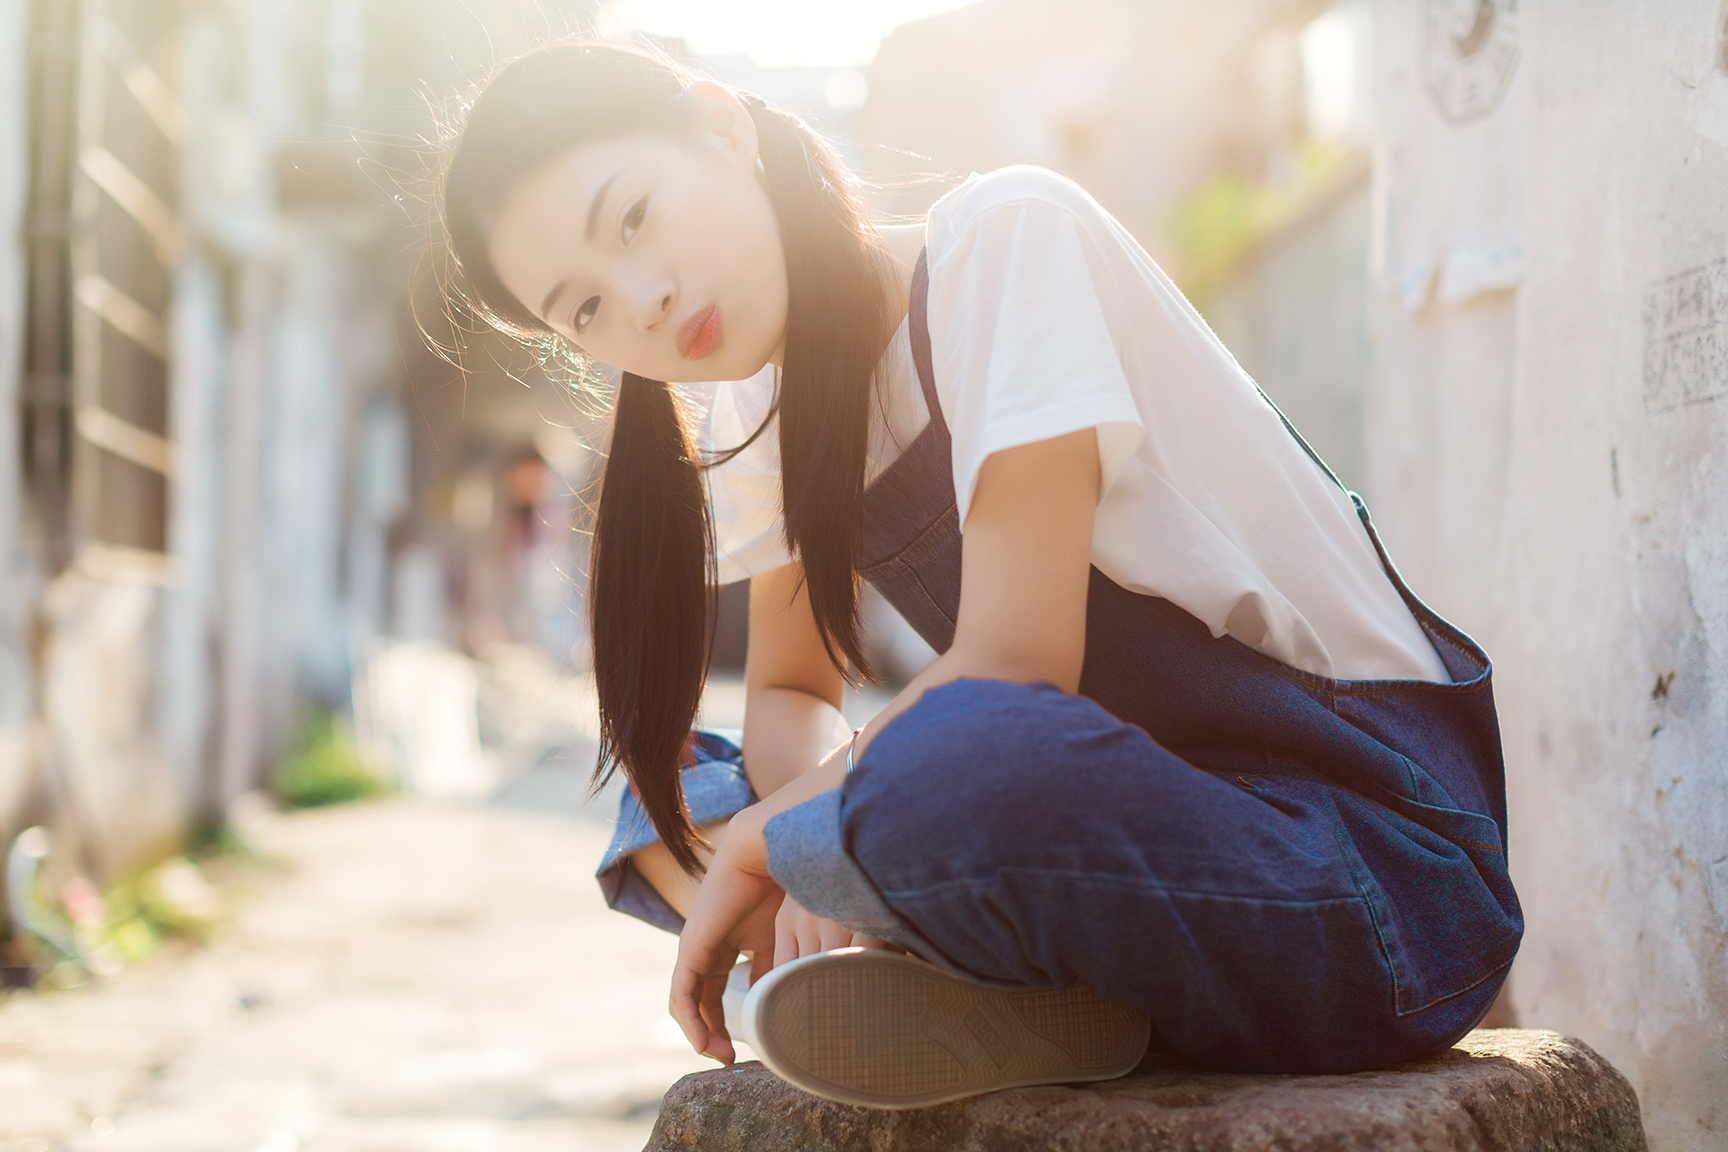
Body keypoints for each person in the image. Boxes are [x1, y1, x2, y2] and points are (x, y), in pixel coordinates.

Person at [437, 40, 1523, 1108]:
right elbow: (790, 696)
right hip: (1114, 831)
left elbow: (1016, 662)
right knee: (662, 803)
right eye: (585, 310)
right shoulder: (757, 415)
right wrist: (813, 839)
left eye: (633, 216)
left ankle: (942, 943)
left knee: (952, 766)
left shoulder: (1002, 244)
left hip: (1371, 865)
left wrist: (804, 838)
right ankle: (1013, 991)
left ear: (723, 128)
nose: (646, 298)